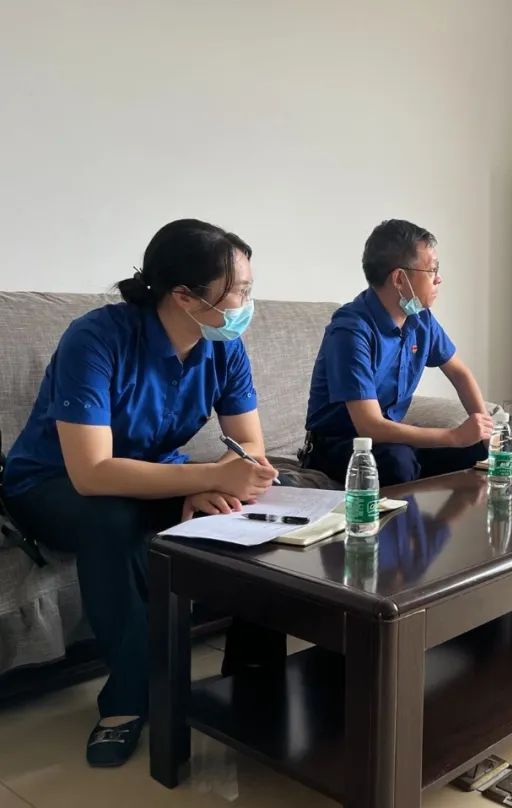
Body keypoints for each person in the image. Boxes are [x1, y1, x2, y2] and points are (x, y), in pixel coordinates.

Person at [2, 219, 283, 767]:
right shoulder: (95, 339)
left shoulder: (223, 346)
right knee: (113, 521)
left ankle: (253, 677)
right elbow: (92, 474)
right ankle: (130, 698)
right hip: (53, 484)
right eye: (239, 291)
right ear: (184, 296)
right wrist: (204, 479)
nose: (248, 304)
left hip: (151, 475)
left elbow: (249, 445)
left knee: (262, 501)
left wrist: (220, 480)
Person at [301, 219, 492, 485]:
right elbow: (370, 426)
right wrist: (453, 436)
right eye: (432, 270)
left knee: (477, 452)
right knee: (397, 462)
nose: (438, 278)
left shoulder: (421, 318)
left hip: (390, 439)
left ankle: (452, 516)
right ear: (400, 279)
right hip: (340, 445)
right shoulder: (351, 330)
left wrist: (485, 432)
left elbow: (459, 373)